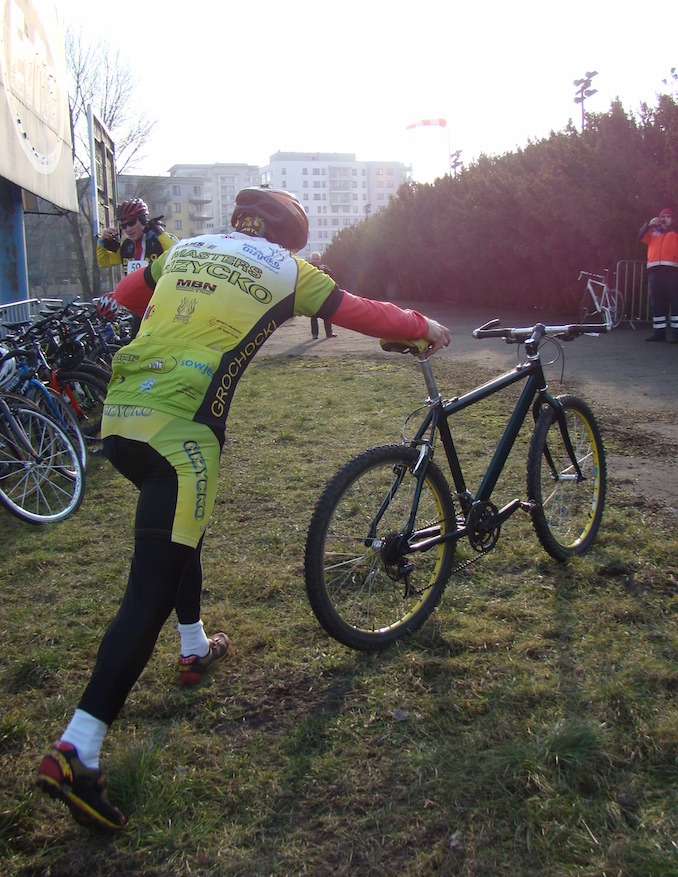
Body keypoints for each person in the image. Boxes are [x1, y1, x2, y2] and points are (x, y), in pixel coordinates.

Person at [36, 186, 450, 831]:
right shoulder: (291, 270)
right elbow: (365, 313)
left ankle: (194, 646)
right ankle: (76, 751)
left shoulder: (184, 249)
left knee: (184, 532)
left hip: (120, 420)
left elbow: (123, 299)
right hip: (182, 432)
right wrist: (425, 327)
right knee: (147, 593)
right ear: (288, 238)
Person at [96, 198, 178, 335]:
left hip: (161, 306)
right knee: (135, 343)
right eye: (124, 226)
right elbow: (104, 262)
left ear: (143, 220)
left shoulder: (158, 240)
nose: (128, 229)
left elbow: (178, 251)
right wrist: (101, 242)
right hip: (138, 308)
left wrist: (159, 233)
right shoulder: (127, 245)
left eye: (132, 223)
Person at [638, 207, 678, 343]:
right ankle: (658, 332)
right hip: (655, 271)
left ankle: (677, 334)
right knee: (657, 302)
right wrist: (648, 224)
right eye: (663, 217)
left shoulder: (676, 232)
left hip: (672, 271)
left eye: (668, 216)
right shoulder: (653, 232)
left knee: (676, 301)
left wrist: (674, 225)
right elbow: (639, 236)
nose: (665, 219)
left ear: (672, 219)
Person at [308, 252, 337, 338]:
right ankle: (315, 334)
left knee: (327, 314)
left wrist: (324, 269)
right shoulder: (308, 268)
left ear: (320, 259)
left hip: (324, 294)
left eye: (317, 259)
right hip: (313, 294)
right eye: (314, 259)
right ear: (311, 259)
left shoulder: (324, 267)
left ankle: (329, 333)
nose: (316, 261)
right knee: (313, 315)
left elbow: (332, 276)